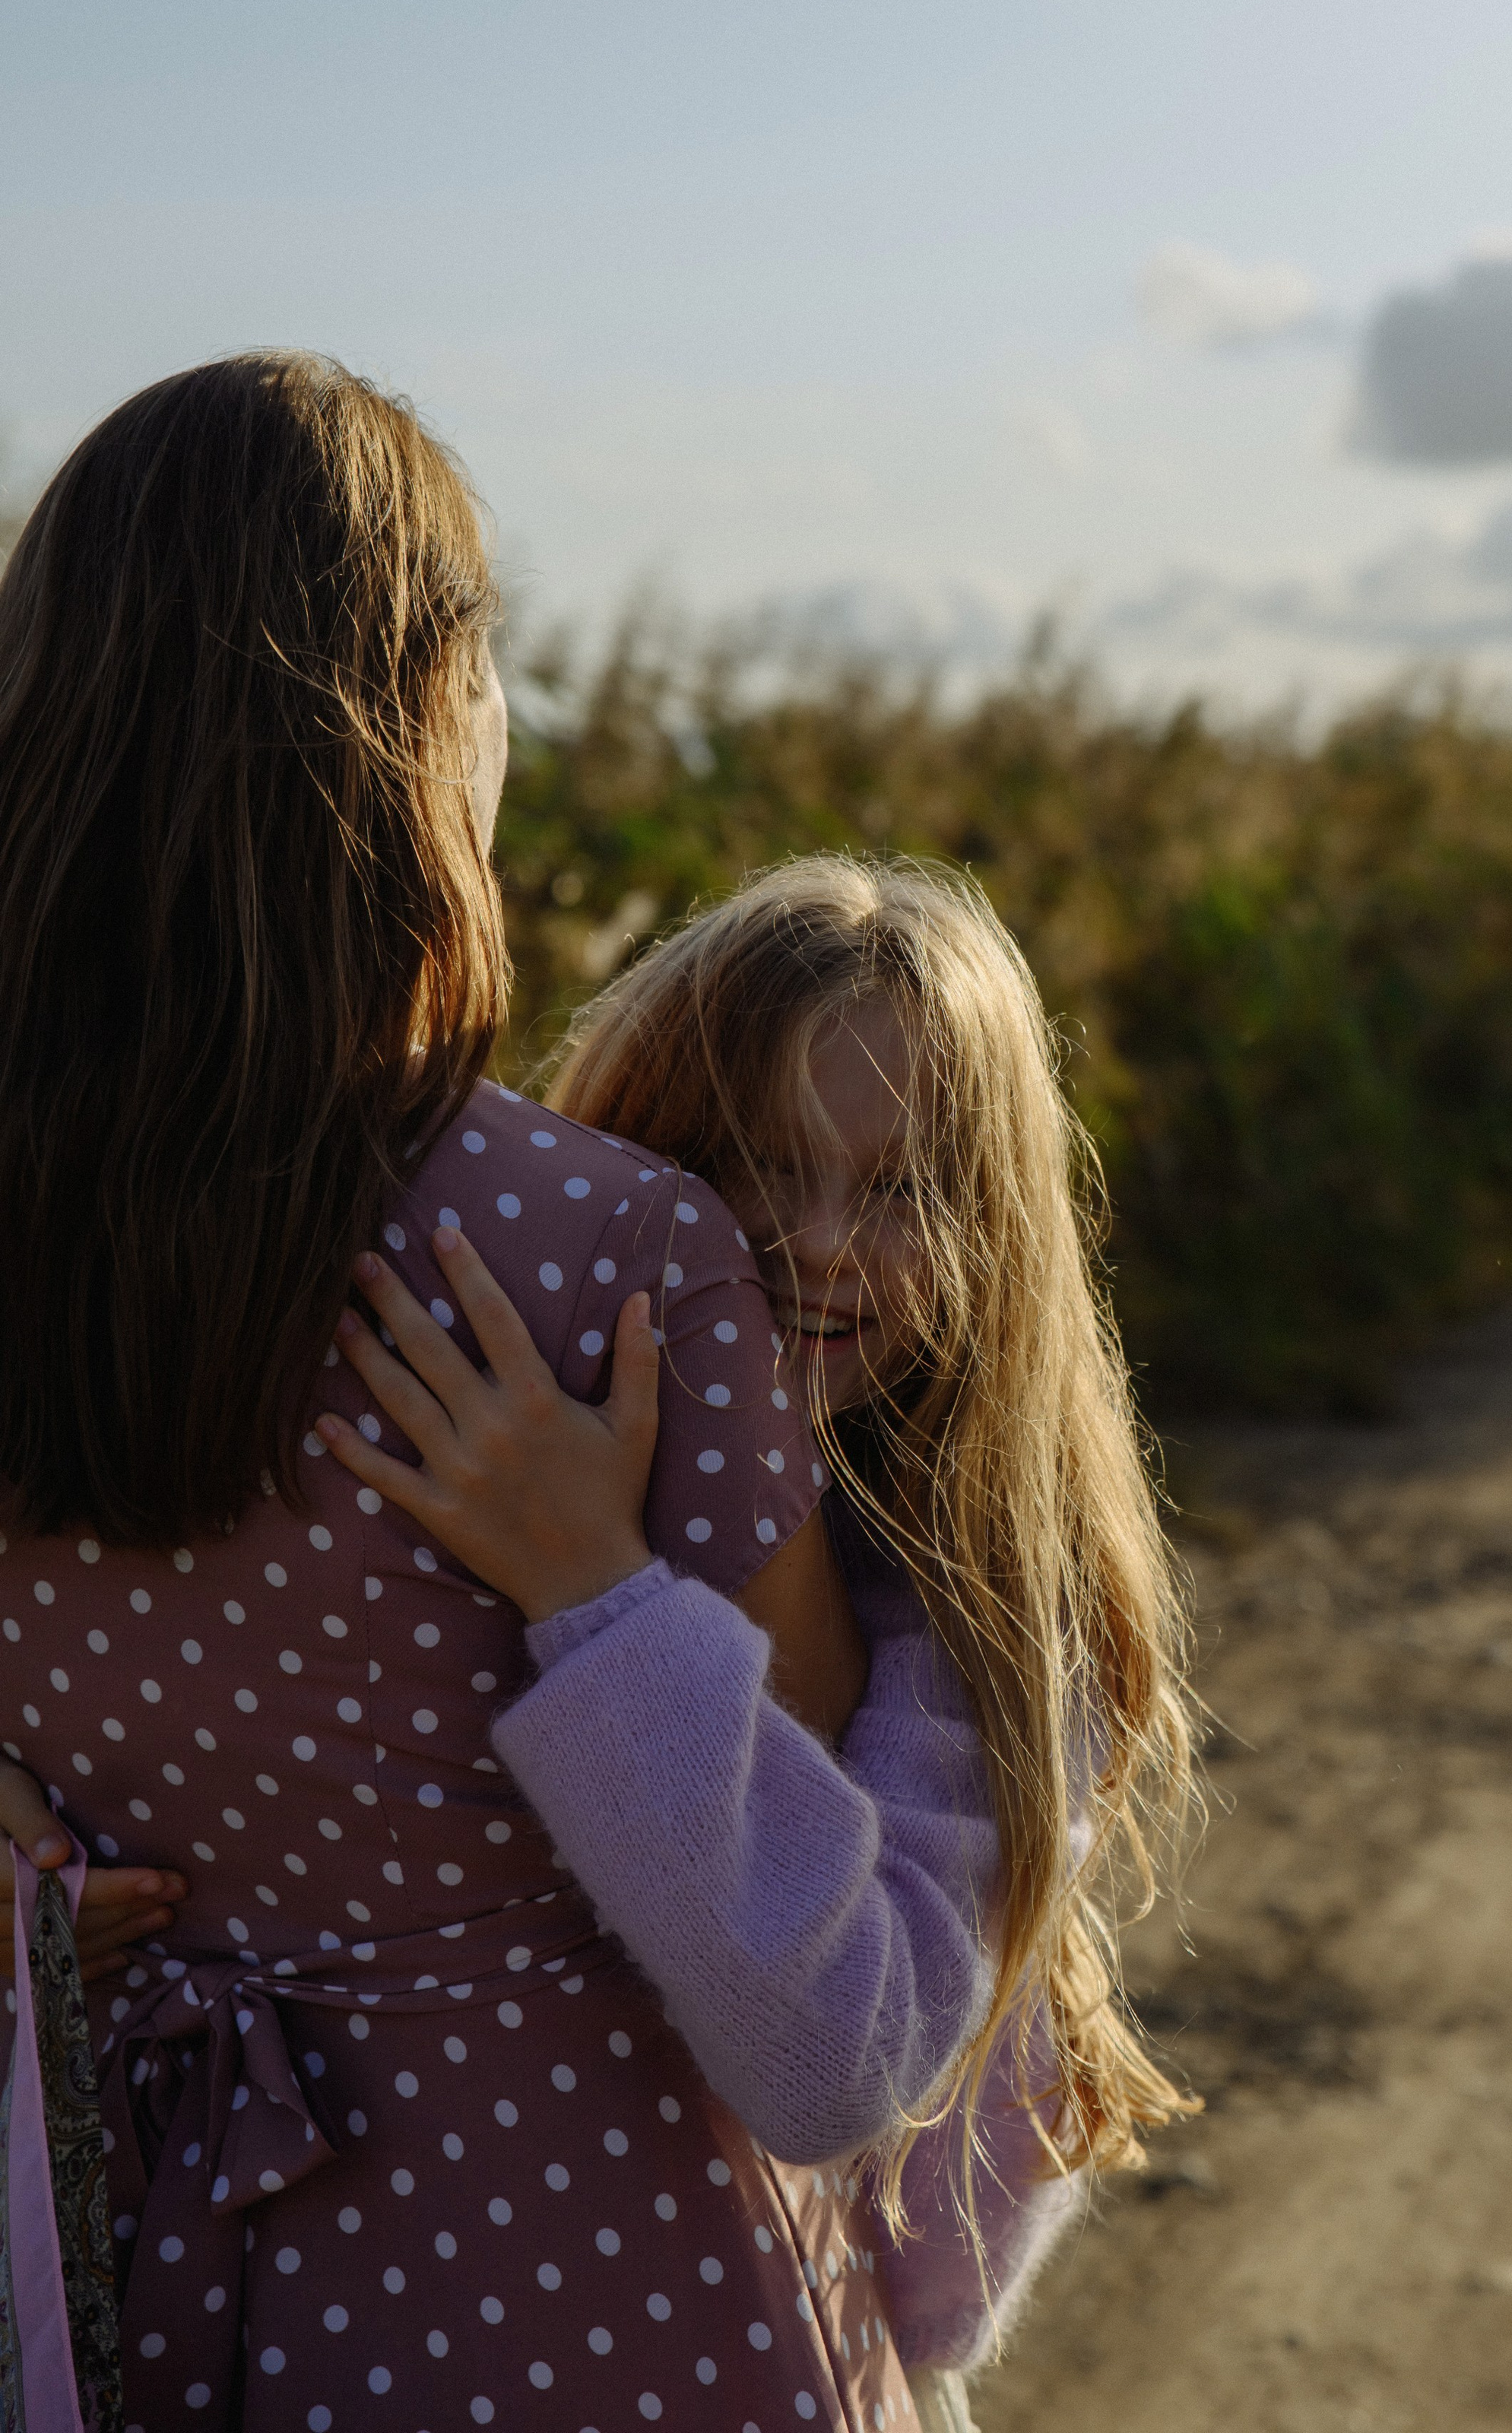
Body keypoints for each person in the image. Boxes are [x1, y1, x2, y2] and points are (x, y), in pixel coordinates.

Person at [0, 358, 998, 2432]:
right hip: (591, 2290)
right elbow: (813, 1955)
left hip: (122, 2268)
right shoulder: (602, 1260)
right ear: (433, 711)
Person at [310, 856, 1203, 2424]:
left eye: (904, 1187)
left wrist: (597, 1598)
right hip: (471, 2292)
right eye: (744, 1167)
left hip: (836, 2341)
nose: (816, 1242)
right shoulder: (491, 1451)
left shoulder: (989, 1604)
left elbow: (825, 2061)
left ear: (997, 1237)